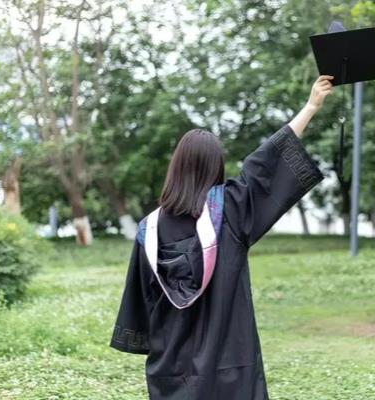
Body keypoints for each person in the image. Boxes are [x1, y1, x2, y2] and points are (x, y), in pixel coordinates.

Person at [109, 75, 334, 400]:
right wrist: (310, 107)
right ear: (215, 167)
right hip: (231, 367)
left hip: (172, 369)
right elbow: (263, 166)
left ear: (176, 168)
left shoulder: (149, 229)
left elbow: (138, 300)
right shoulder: (230, 211)